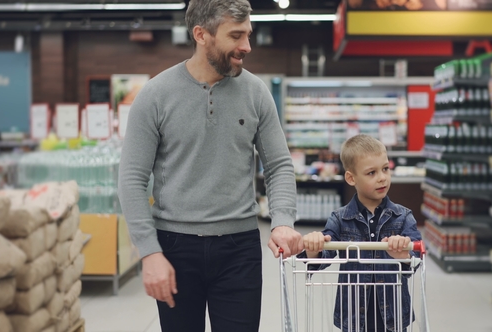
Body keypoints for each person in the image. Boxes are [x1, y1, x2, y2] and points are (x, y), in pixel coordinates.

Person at [117, 1, 303, 331]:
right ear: (201, 35)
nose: (246, 46)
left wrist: (282, 221)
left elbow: (278, 166)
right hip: (174, 246)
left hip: (239, 249)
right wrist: (149, 252)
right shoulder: (156, 95)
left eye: (248, 34)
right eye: (236, 36)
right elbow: (132, 178)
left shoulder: (256, 93)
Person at [301, 134, 422, 332]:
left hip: (393, 316)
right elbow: (323, 255)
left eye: (385, 169)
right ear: (351, 178)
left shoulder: (403, 216)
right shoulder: (340, 218)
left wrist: (404, 255)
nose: (382, 177)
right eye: (371, 173)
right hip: (354, 316)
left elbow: (415, 258)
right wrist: (314, 245)